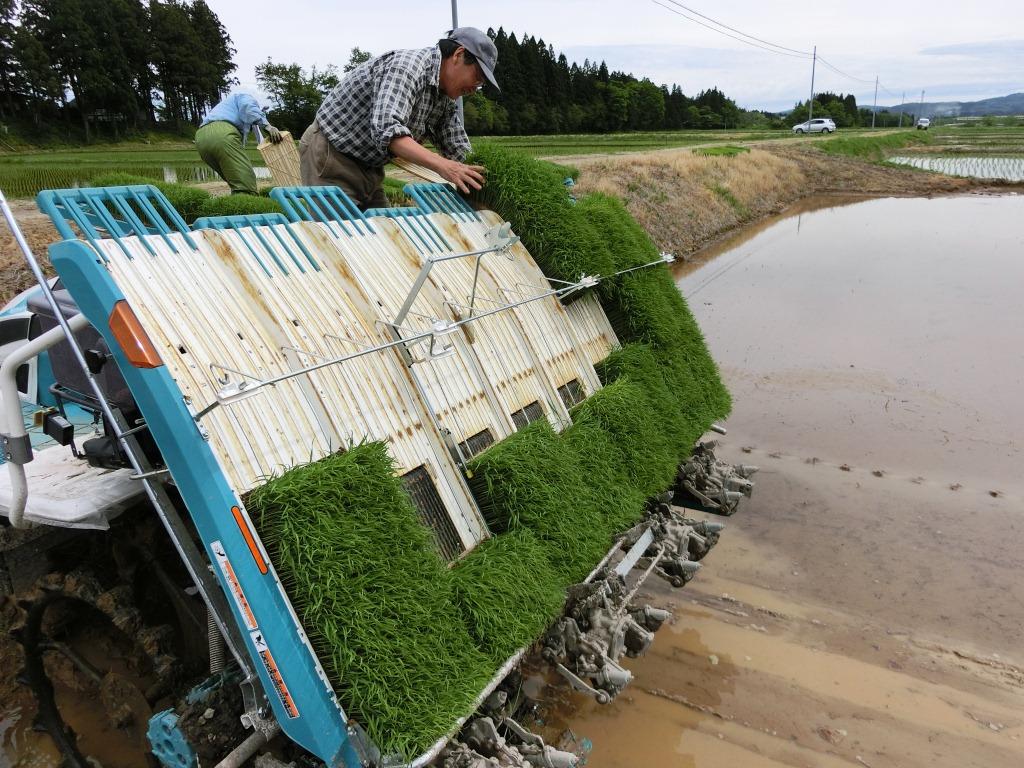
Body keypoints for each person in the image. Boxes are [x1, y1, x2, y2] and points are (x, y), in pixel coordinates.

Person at [300, 27, 499, 209]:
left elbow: (458, 149)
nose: (475, 89)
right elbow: (389, 132)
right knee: (341, 239)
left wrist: (485, 183)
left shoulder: (444, 96)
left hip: (370, 167)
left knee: (385, 237)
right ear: (458, 54)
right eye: (477, 78)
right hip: (332, 155)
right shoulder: (407, 68)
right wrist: (444, 166)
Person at [195, 92, 284, 195]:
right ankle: (249, 209)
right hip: (221, 133)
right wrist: (267, 126)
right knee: (245, 185)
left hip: (201, 138)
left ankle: (237, 205)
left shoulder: (224, 107)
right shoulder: (244, 96)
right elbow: (249, 108)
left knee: (234, 180)